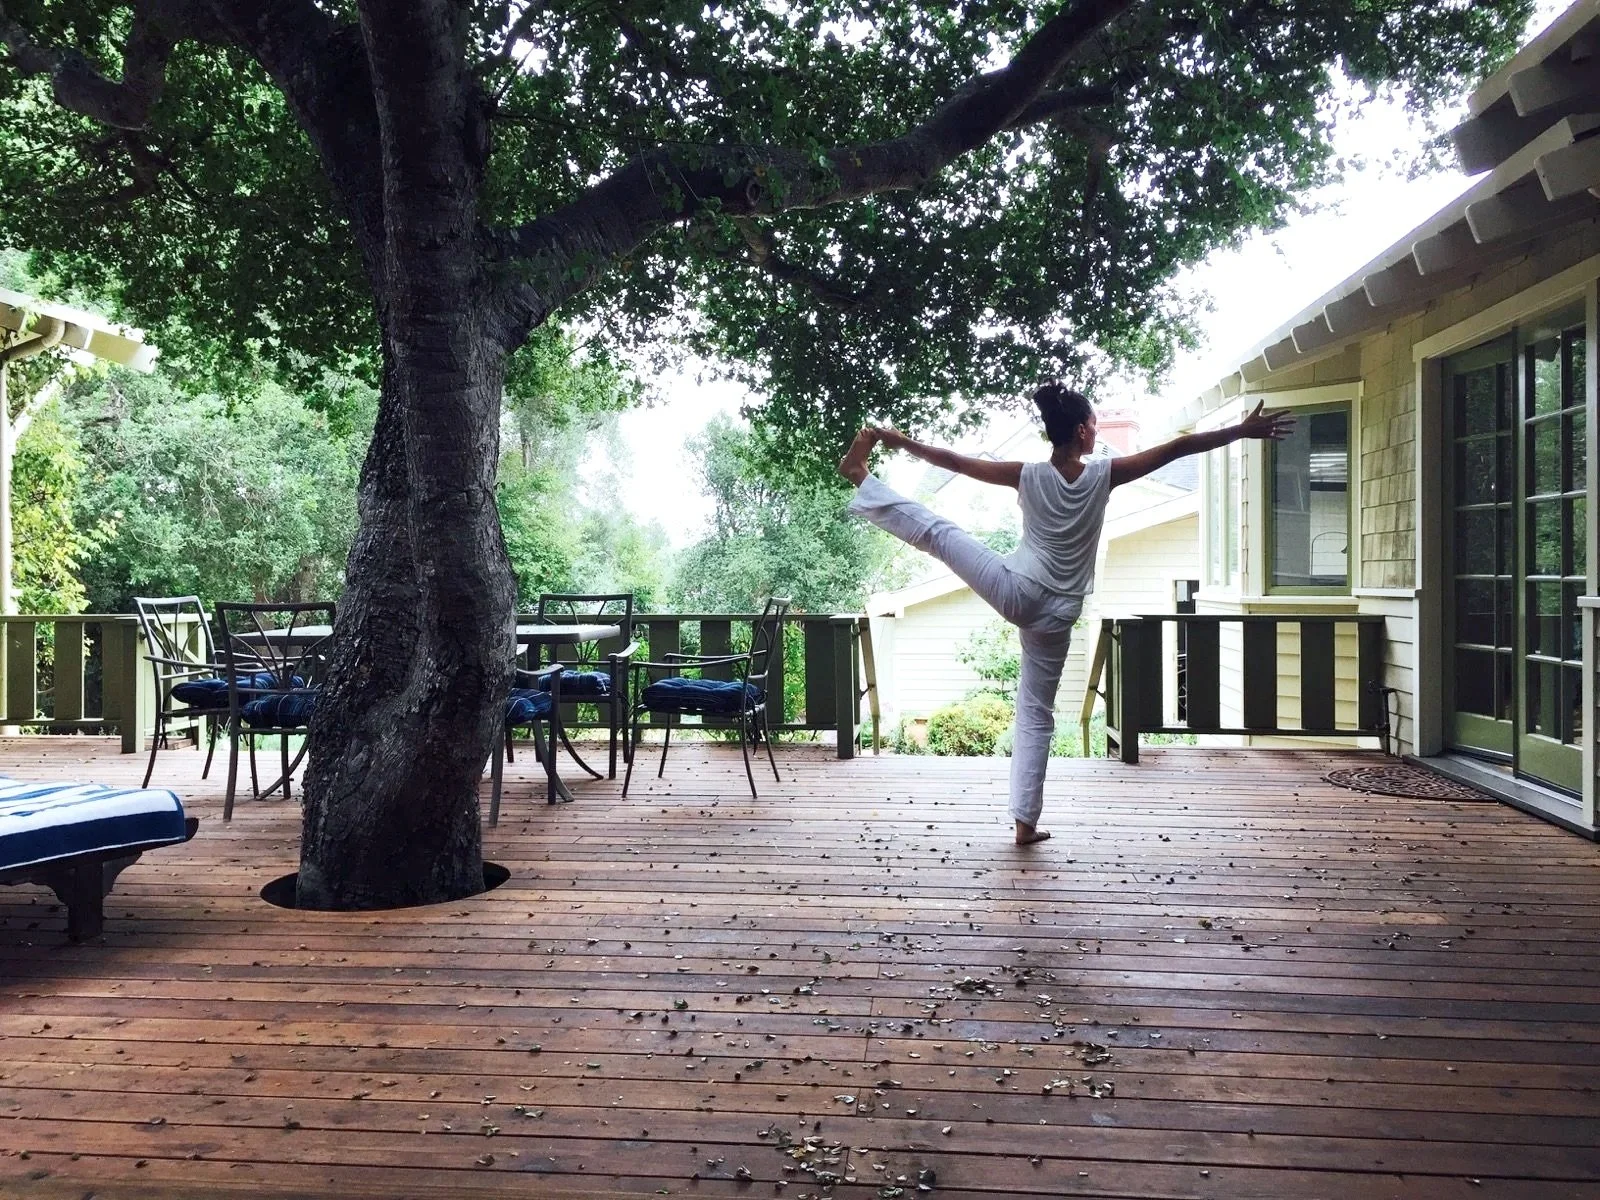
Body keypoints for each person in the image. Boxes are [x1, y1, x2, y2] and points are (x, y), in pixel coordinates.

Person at [839, 383, 1292, 845]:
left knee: (937, 532)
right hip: (1057, 615)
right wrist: (1242, 430)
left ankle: (860, 475)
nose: (1096, 432)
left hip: (1015, 590)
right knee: (1036, 714)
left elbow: (955, 462)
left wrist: (900, 442)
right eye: (1094, 425)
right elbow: (1179, 447)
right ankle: (1024, 823)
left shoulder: (1027, 474)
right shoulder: (1104, 475)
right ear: (1080, 431)